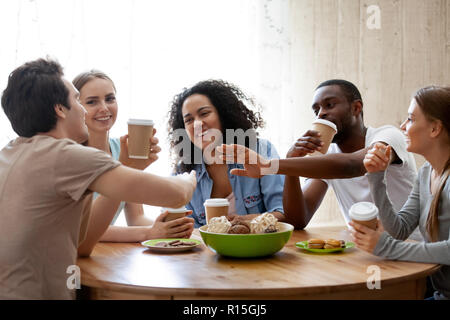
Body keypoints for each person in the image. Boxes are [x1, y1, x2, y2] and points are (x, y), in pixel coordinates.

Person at [0, 58, 197, 299]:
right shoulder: (65, 156)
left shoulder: (13, 152)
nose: (84, 110)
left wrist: (126, 166)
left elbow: (83, 244)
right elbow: (176, 194)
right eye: (78, 100)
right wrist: (190, 176)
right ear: (59, 109)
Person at [218, 79, 419, 237]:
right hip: (371, 252)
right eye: (317, 110)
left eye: (329, 105)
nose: (321, 114)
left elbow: (354, 165)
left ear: (356, 108)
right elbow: (298, 219)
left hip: (411, 249)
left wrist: (270, 165)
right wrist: (291, 160)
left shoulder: (388, 136)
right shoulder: (328, 157)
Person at [350, 85, 450, 300]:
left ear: (435, 129)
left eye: (411, 119)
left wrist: (385, 246)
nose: (403, 126)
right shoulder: (426, 173)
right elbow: (399, 229)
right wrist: (377, 177)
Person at [73, 70, 194, 242]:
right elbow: (82, 229)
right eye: (92, 102)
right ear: (77, 108)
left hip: (106, 255)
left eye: (110, 99)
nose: (104, 108)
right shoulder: (71, 156)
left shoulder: (123, 150)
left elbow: (135, 218)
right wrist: (149, 233)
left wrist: (168, 227)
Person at [167, 79, 285, 227]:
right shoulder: (182, 173)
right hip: (207, 250)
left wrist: (245, 221)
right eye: (189, 120)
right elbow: (186, 229)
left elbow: (282, 213)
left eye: (204, 113)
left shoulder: (260, 150)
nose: (197, 124)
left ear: (223, 114)